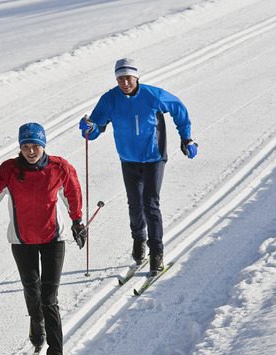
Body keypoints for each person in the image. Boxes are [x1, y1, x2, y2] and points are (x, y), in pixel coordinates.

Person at [0, 122, 84, 355]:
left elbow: (73, 193)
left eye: (35, 145)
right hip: (22, 240)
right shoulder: (9, 169)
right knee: (31, 289)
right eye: (25, 146)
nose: (30, 151)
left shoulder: (60, 167)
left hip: (52, 239)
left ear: (43, 144)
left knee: (49, 297)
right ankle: (36, 323)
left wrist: (77, 222)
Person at [79, 58, 197, 275]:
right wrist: (89, 127)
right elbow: (95, 129)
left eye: (128, 78)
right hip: (129, 159)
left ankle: (157, 252)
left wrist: (186, 138)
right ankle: (138, 240)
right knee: (135, 205)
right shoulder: (110, 99)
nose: (124, 82)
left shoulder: (153, 95)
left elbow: (178, 107)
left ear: (137, 77)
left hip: (154, 158)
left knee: (150, 204)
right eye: (120, 78)